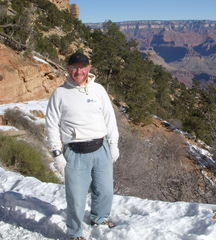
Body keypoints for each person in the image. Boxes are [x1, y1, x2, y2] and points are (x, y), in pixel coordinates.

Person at [45, 52, 119, 240]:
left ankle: (100, 218)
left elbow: (109, 118)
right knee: (76, 197)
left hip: (101, 148)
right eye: (74, 67)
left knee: (105, 191)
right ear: (68, 68)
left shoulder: (99, 90)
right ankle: (75, 232)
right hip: (75, 152)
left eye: (82, 67)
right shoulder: (60, 94)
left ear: (88, 68)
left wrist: (114, 143)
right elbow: (51, 124)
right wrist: (56, 153)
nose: (78, 71)